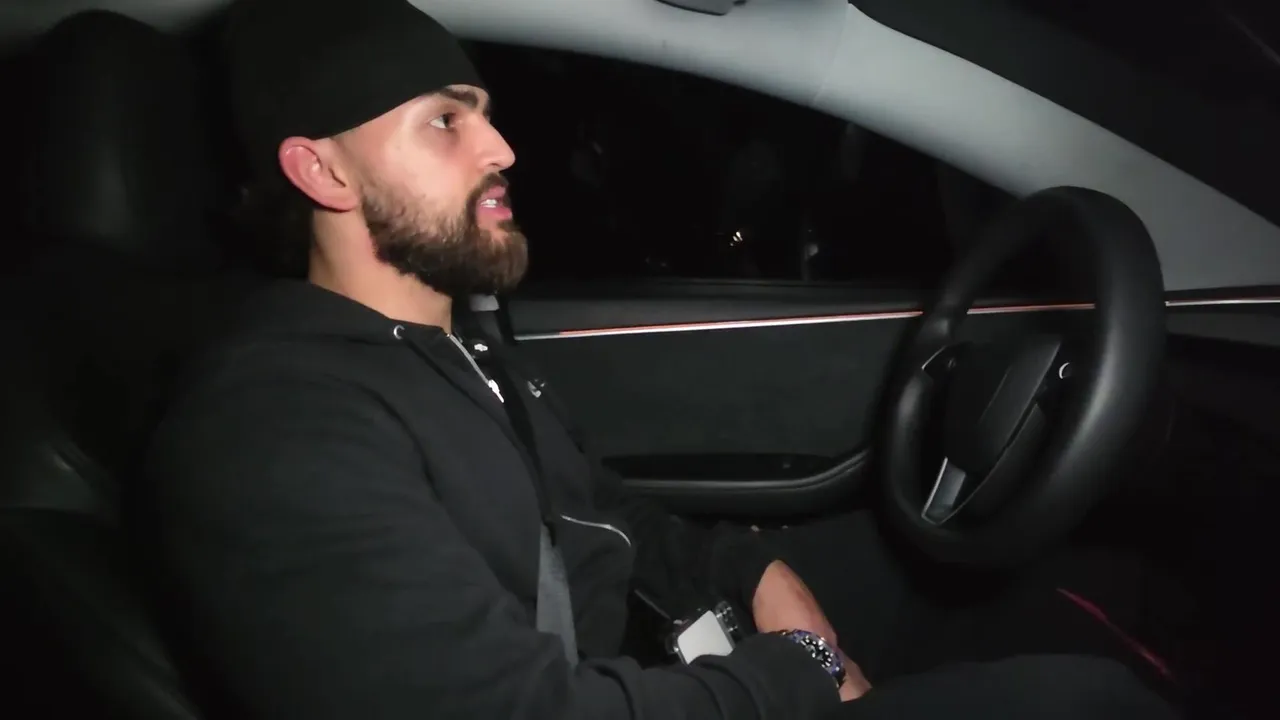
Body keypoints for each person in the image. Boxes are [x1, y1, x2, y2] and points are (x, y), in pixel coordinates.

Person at [141, 0, 1180, 718]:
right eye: (445, 122)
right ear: (321, 171)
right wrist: (797, 672)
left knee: (1020, 624)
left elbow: (601, 510)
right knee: (1089, 703)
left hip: (638, 662)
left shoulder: (458, 344)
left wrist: (751, 573)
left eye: (486, 114)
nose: (500, 149)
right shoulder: (273, 431)